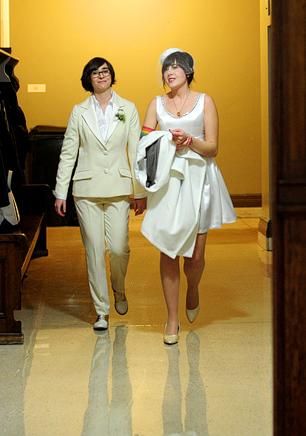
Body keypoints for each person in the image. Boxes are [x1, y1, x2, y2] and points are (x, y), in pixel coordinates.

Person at [136, 48, 236, 344]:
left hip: (200, 179)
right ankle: (171, 318)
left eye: (177, 67)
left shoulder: (205, 101)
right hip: (168, 180)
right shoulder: (156, 104)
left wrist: (189, 141)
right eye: (167, 67)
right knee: (168, 250)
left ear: (188, 72)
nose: (171, 71)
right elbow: (144, 145)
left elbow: (213, 148)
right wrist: (166, 140)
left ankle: (193, 288)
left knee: (195, 257)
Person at [54, 57, 147, 331]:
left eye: (105, 71)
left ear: (111, 75)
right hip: (86, 189)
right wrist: (61, 191)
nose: (101, 75)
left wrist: (139, 191)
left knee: (118, 248)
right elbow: (68, 152)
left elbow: (135, 151)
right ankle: (102, 311)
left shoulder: (127, 108)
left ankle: (118, 288)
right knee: (94, 250)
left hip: (119, 188)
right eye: (95, 73)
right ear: (89, 79)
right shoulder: (78, 111)